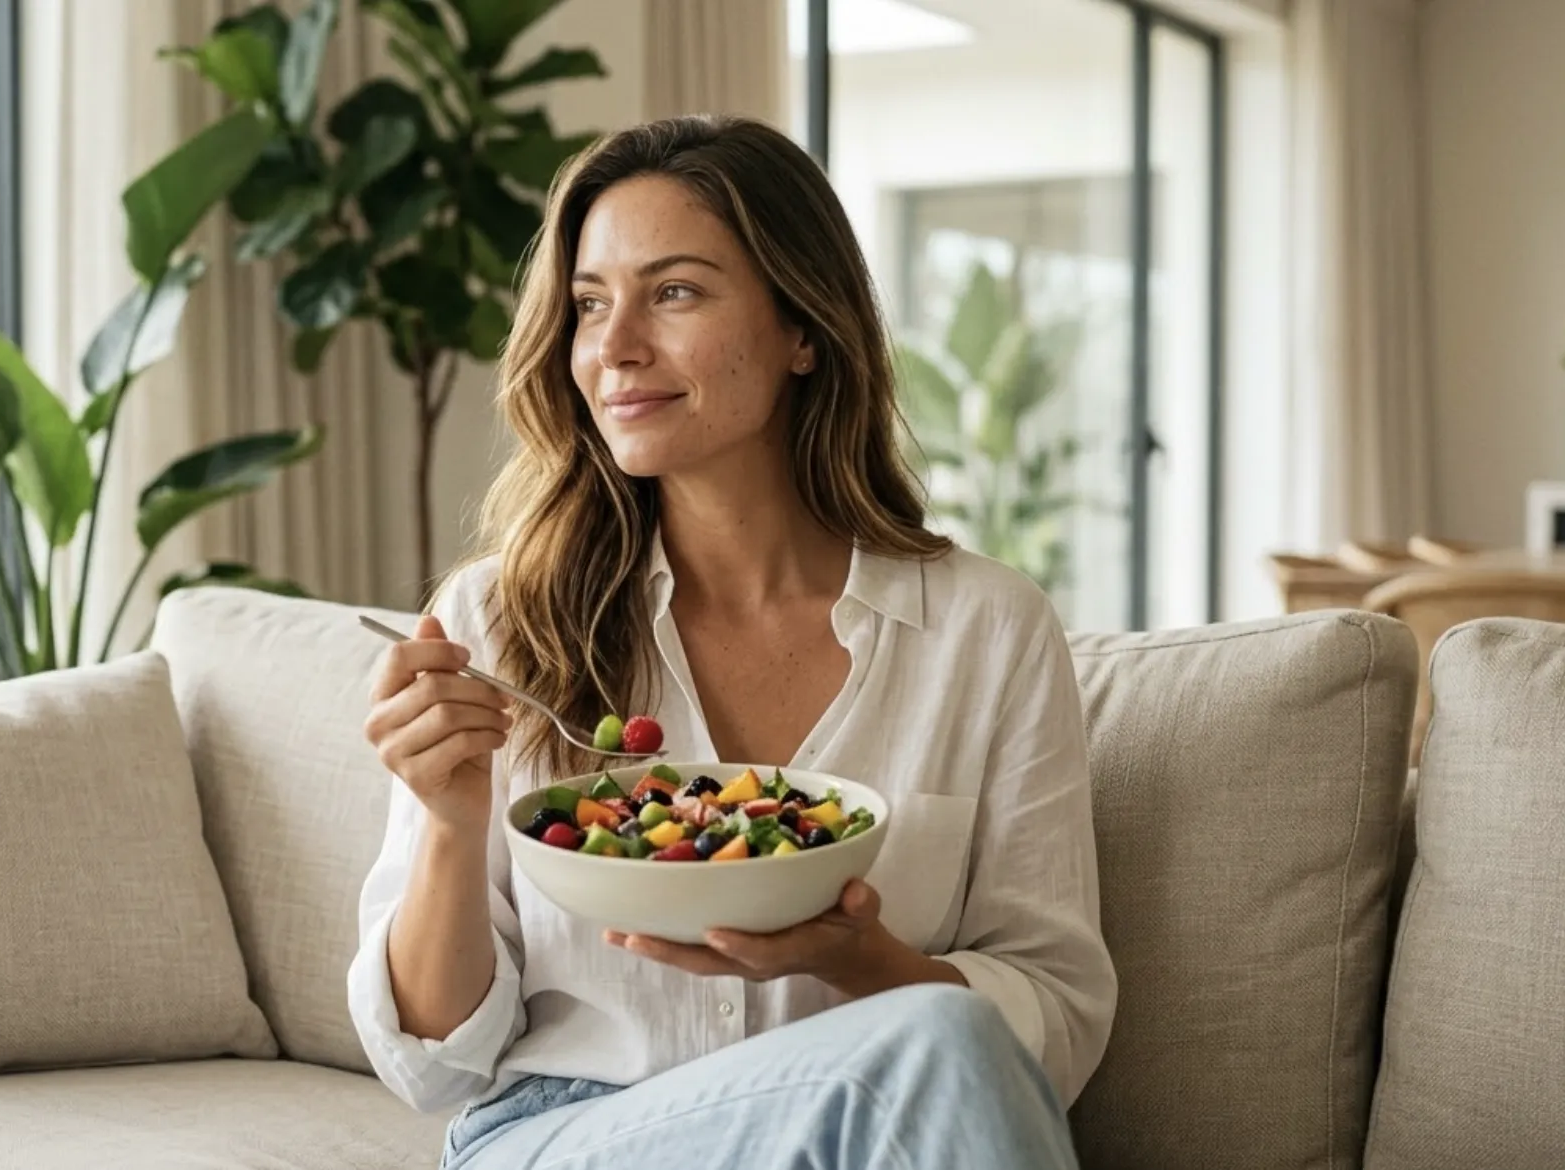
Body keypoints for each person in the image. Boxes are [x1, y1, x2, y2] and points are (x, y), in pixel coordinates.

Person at [348, 114, 1115, 1169]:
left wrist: (863, 960)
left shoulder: (986, 633)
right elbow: (433, 1066)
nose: (615, 347)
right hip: (559, 1136)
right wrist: (448, 818)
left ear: (804, 328)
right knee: (943, 1039)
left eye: (673, 292)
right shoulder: (499, 620)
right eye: (588, 304)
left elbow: (1053, 1020)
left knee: (945, 1036)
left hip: (866, 1136)